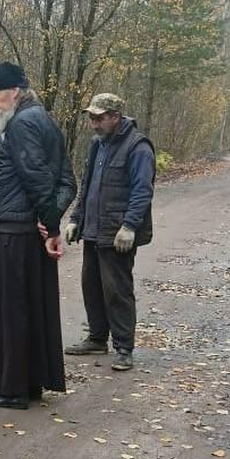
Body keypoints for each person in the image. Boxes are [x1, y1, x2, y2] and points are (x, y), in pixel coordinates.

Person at [0, 61, 77, 409]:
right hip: (26, 232)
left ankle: (12, 389)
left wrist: (51, 225)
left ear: (14, 91)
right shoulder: (42, 119)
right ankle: (28, 383)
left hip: (16, 234)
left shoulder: (23, 123)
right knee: (29, 308)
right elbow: (66, 182)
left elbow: (38, 180)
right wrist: (50, 223)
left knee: (12, 311)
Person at [64, 93, 155, 371]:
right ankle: (96, 338)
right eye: (91, 117)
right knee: (91, 286)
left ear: (115, 116)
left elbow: (142, 191)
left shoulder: (138, 147)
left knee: (117, 290)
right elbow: (88, 185)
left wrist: (129, 226)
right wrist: (75, 218)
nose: (94, 124)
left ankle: (124, 348)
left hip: (117, 234)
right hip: (93, 230)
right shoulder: (97, 144)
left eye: (99, 118)